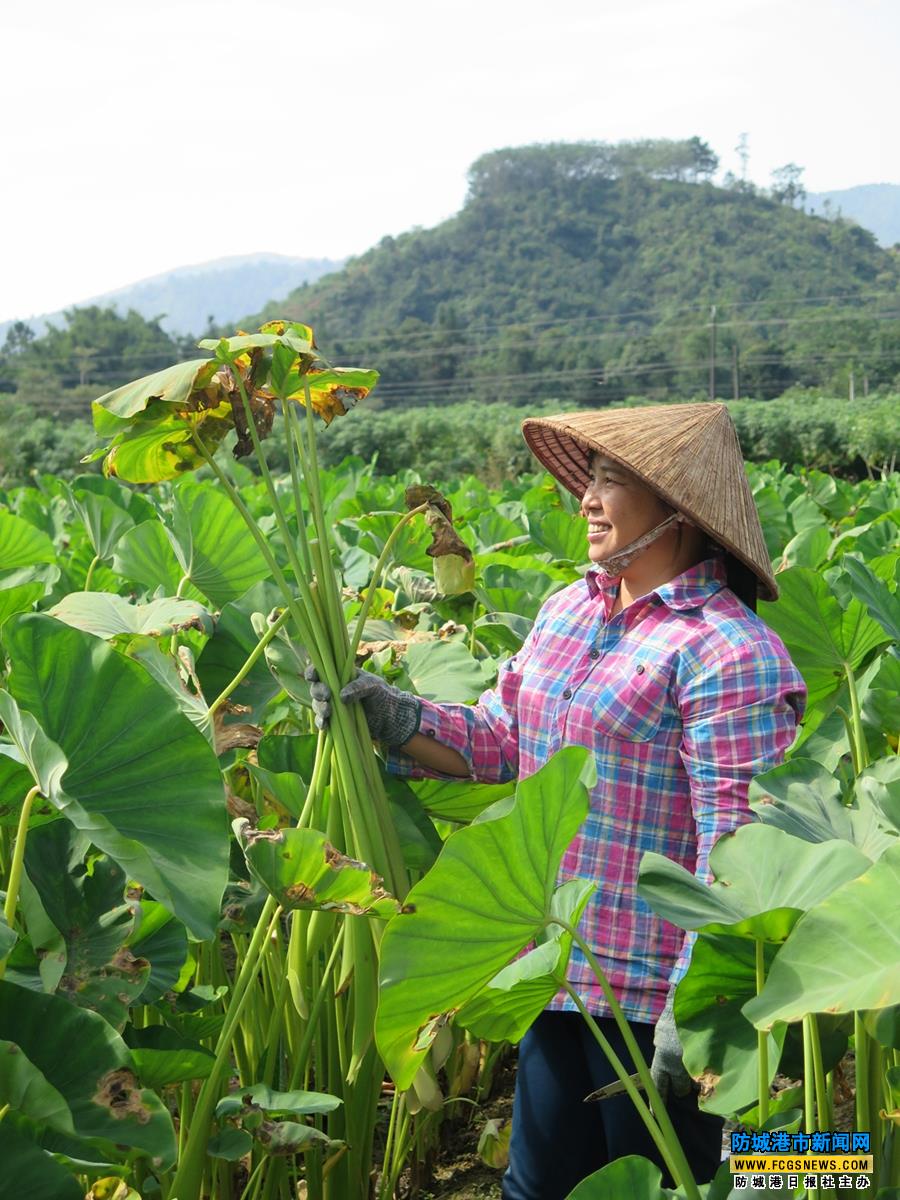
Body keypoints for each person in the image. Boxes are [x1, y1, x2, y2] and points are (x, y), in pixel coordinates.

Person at [312, 402, 806, 1200]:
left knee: (683, 1186)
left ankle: (829, 1171)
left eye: (611, 481)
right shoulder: (567, 610)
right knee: (536, 1191)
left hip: (656, 998)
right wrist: (393, 717)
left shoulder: (726, 649)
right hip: (559, 970)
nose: (586, 499)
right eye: (591, 479)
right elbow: (505, 743)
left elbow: (737, 846)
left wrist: (700, 1005)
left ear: (677, 508)